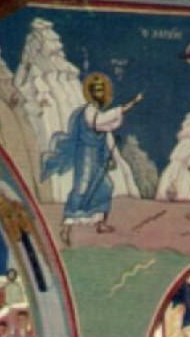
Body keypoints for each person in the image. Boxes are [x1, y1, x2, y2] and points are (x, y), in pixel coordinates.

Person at [42, 72, 143, 244]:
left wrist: (108, 156)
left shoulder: (96, 111)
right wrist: (129, 105)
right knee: (81, 188)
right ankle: (67, 225)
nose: (99, 93)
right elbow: (101, 123)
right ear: (91, 92)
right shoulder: (89, 111)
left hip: (97, 155)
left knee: (105, 186)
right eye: (96, 90)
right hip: (86, 155)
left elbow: (105, 129)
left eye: (101, 89)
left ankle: (100, 221)